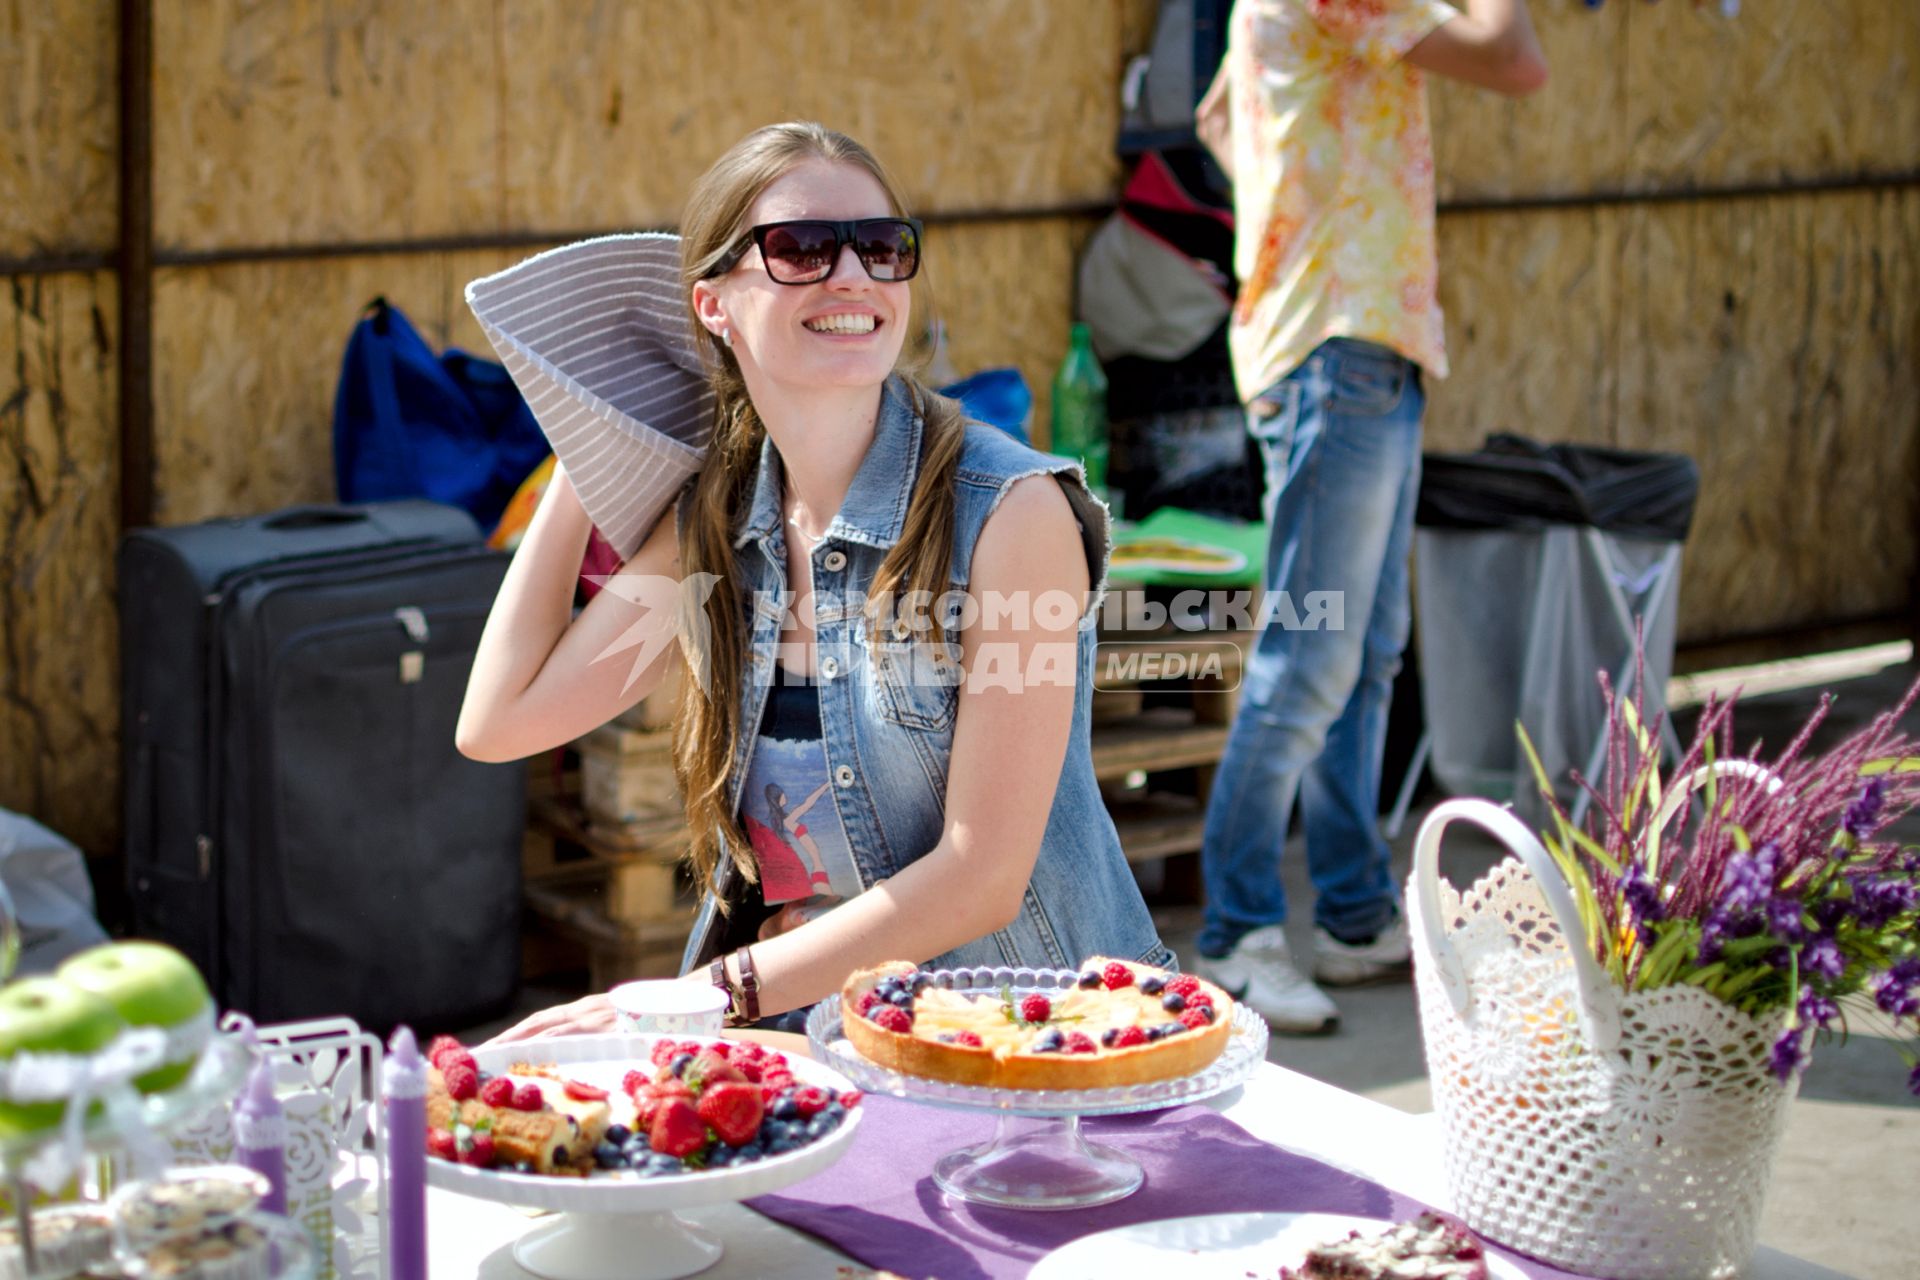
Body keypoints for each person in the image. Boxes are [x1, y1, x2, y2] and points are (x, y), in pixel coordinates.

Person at [457, 122, 1172, 1039]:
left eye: (882, 247)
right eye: (798, 249)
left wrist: (712, 995)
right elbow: (500, 722)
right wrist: (585, 447)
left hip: (1038, 1045)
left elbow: (983, 876)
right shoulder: (716, 528)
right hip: (820, 1046)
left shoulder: (1010, 514)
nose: (852, 277)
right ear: (714, 304)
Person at [1190, 1, 1548, 1032]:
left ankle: (1350, 916)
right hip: (1337, 342)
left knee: (1364, 653)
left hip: (1347, 341)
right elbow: (1512, 57)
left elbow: (1220, 121)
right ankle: (1236, 932)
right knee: (1311, 662)